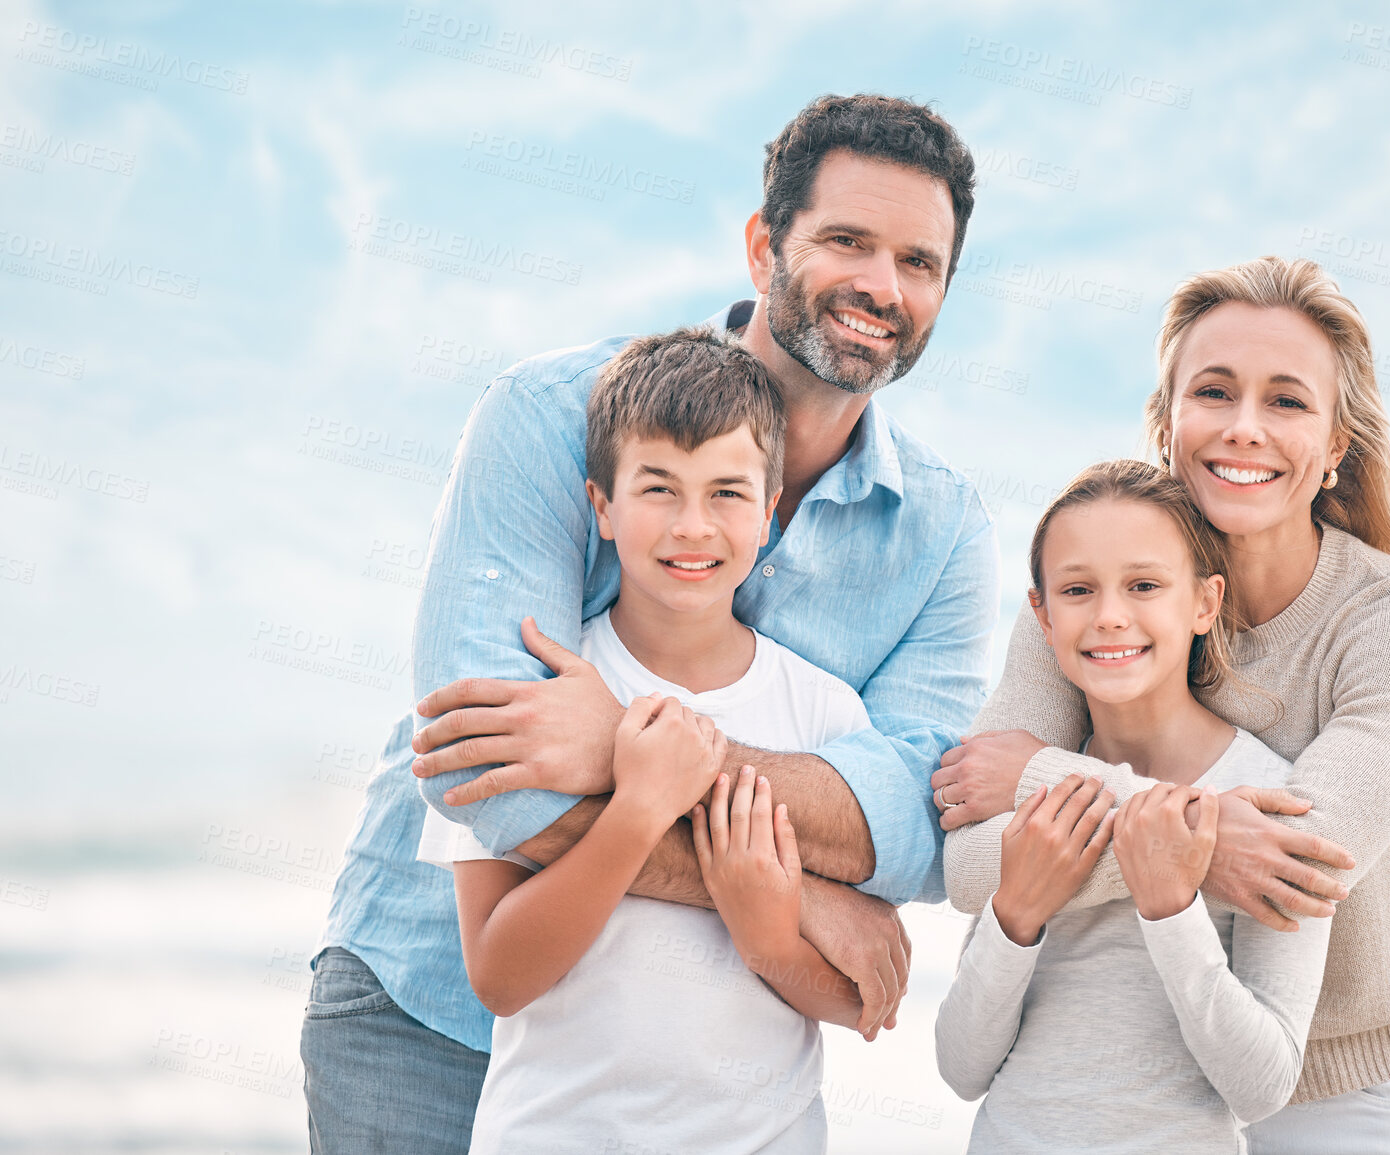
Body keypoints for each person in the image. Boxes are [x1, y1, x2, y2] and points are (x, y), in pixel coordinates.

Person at [303, 93, 998, 1154]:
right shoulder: (549, 416)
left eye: (920, 262)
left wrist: (633, 751)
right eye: (847, 242)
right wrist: (798, 897)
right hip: (432, 1015)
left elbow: (908, 830)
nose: (881, 286)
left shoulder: (942, 534)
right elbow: (484, 761)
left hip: (698, 1100)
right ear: (765, 243)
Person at [938, 256, 1390, 1152]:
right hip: (1157, 1087)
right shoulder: (1092, 603)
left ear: (1337, 444)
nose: (1244, 428)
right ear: (1167, 421)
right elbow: (967, 869)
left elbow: (1300, 860)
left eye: (1287, 402)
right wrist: (1200, 832)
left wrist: (1037, 777)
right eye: (1214, 392)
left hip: (1358, 1092)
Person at [419, 328, 878, 1152]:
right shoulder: (539, 702)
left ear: (770, 511)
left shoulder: (825, 719)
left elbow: (861, 997)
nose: (692, 526)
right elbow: (498, 975)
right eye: (658, 488)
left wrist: (767, 932)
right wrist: (635, 813)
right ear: (602, 505)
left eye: (728, 493)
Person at [935, 460, 1331, 1153]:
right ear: (1043, 615)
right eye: (1078, 589)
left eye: (1143, 585)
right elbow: (961, 1066)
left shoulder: (1268, 800)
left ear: (1204, 603)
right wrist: (1016, 916)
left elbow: (1263, 1083)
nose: (1109, 615)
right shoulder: (1023, 792)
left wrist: (1171, 909)